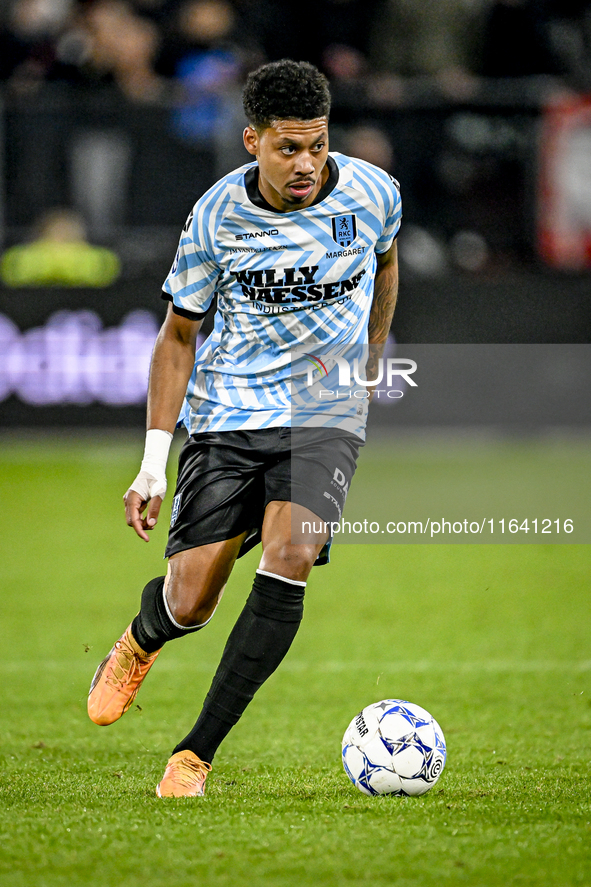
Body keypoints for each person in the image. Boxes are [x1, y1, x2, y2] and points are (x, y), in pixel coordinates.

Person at [87, 58, 401, 798]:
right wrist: (151, 463)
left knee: (292, 551)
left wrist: (372, 357)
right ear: (250, 141)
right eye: (286, 148)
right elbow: (176, 336)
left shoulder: (372, 192)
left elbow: (385, 266)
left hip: (322, 415)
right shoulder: (216, 216)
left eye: (317, 145)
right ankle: (143, 636)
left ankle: (193, 754)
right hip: (229, 415)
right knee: (191, 597)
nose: (305, 163)